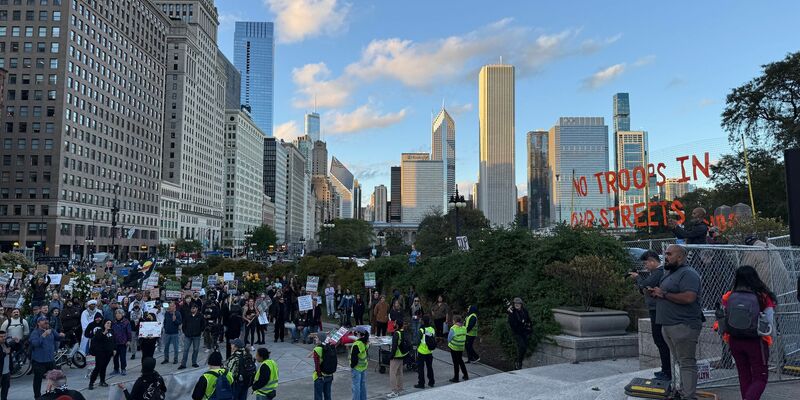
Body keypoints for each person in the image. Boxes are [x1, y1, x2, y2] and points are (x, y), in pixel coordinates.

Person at [649, 244, 703, 400]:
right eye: (665, 254)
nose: (666, 257)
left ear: (680, 257)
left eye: (669, 254)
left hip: (683, 325)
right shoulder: (669, 273)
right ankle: (680, 391)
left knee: (686, 362)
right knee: (679, 362)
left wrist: (664, 294)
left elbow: (689, 297)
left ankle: (689, 396)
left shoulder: (688, 274)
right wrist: (656, 293)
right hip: (668, 325)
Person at [720, 266, 776, 400]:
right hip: (756, 341)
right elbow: (769, 321)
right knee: (760, 377)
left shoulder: (729, 296)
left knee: (744, 375)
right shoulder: (762, 296)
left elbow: (723, 317)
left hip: (734, 340)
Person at [629, 250, 671, 380]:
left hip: (657, 310)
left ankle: (667, 371)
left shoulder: (659, 272)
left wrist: (637, 278)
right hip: (655, 309)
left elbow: (645, 285)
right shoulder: (656, 272)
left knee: (660, 339)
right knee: (659, 340)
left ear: (653, 261)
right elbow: (644, 289)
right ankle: (665, 370)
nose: (645, 266)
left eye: (646, 263)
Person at [30, 316, 63, 398]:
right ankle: (37, 397)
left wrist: (61, 335)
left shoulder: (51, 331)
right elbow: (35, 344)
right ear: (38, 323)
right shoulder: (35, 332)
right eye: (43, 320)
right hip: (39, 361)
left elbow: (58, 338)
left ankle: (57, 394)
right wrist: (43, 335)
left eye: (46, 320)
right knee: (38, 380)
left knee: (56, 377)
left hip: (50, 360)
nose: (46, 322)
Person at [507, 298, 533, 370]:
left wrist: (529, 328)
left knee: (524, 347)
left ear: (521, 304)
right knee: (522, 346)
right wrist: (510, 313)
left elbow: (529, 320)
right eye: (515, 303)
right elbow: (512, 323)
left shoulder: (524, 311)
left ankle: (518, 361)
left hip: (524, 332)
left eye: (518, 303)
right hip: (517, 332)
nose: (517, 305)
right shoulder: (512, 312)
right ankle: (519, 362)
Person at [87, 319, 114, 390]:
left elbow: (113, 341)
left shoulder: (111, 331)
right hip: (100, 352)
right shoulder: (99, 331)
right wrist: (104, 332)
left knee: (104, 367)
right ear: (104, 324)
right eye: (107, 323)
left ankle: (102, 381)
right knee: (98, 368)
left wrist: (114, 349)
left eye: (110, 323)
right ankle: (91, 383)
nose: (109, 325)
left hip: (108, 353)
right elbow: (97, 339)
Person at [180, 303, 205, 369]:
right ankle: (183, 364)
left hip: (196, 336)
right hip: (188, 336)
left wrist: (200, 331)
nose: (192, 309)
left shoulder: (200, 316)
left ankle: (194, 362)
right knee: (185, 350)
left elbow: (203, 324)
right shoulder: (187, 315)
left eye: (194, 308)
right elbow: (184, 325)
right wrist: (185, 332)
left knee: (196, 349)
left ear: (196, 309)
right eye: (191, 308)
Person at [387, 319, 408, 398]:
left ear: (398, 325)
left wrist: (391, 356)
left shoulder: (396, 333)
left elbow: (394, 347)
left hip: (396, 356)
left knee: (392, 373)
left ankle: (394, 391)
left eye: (395, 323)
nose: (394, 324)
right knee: (400, 372)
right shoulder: (403, 332)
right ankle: (400, 389)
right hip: (402, 355)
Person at [414, 316, 435, 389]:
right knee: (430, 367)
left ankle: (421, 384)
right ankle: (431, 382)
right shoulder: (432, 329)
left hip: (422, 352)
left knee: (421, 369)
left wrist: (415, 345)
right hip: (429, 352)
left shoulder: (421, 330)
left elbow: (417, 341)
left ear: (423, 321)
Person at [110, 308, 133, 376]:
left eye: (119, 313)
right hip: (115, 343)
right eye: (116, 313)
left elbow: (129, 332)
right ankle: (116, 369)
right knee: (115, 357)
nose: (117, 315)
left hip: (123, 342)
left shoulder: (126, 322)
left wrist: (129, 340)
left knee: (123, 357)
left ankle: (123, 369)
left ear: (122, 314)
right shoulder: (113, 322)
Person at [349, 327, 369, 400]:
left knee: (356, 386)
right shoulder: (365, 342)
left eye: (356, 332)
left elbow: (354, 358)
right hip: (363, 366)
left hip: (356, 368)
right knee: (362, 385)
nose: (354, 333)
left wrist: (352, 366)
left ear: (359, 333)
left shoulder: (357, 344)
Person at [447, 315, 469, 383]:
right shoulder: (464, 328)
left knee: (455, 362)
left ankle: (456, 378)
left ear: (454, 321)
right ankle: (465, 375)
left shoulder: (453, 328)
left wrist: (449, 343)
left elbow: (449, 339)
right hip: (461, 347)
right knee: (460, 360)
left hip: (454, 347)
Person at [0, 330, 11, 400]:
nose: (3, 338)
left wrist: (18, 342)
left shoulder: (6, 344)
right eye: (1, 337)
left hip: (6, 371)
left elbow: (16, 347)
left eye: (4, 336)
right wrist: (5, 353)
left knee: (5, 388)